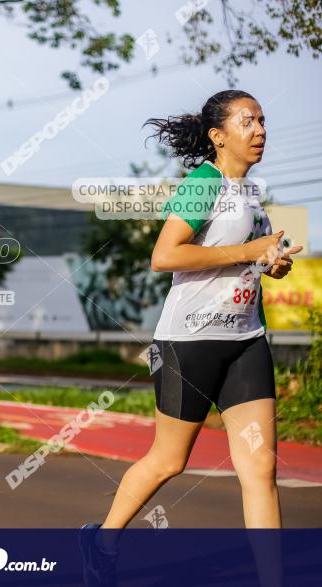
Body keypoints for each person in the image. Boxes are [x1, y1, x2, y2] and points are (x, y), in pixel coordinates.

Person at [80, 90, 302, 585]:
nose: (261, 130)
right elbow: (166, 256)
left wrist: (274, 261)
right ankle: (103, 538)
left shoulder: (250, 192)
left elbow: (254, 259)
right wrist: (250, 248)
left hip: (246, 341)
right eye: (249, 121)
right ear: (219, 136)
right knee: (169, 460)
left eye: (263, 120)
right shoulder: (204, 184)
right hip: (189, 343)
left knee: (261, 471)